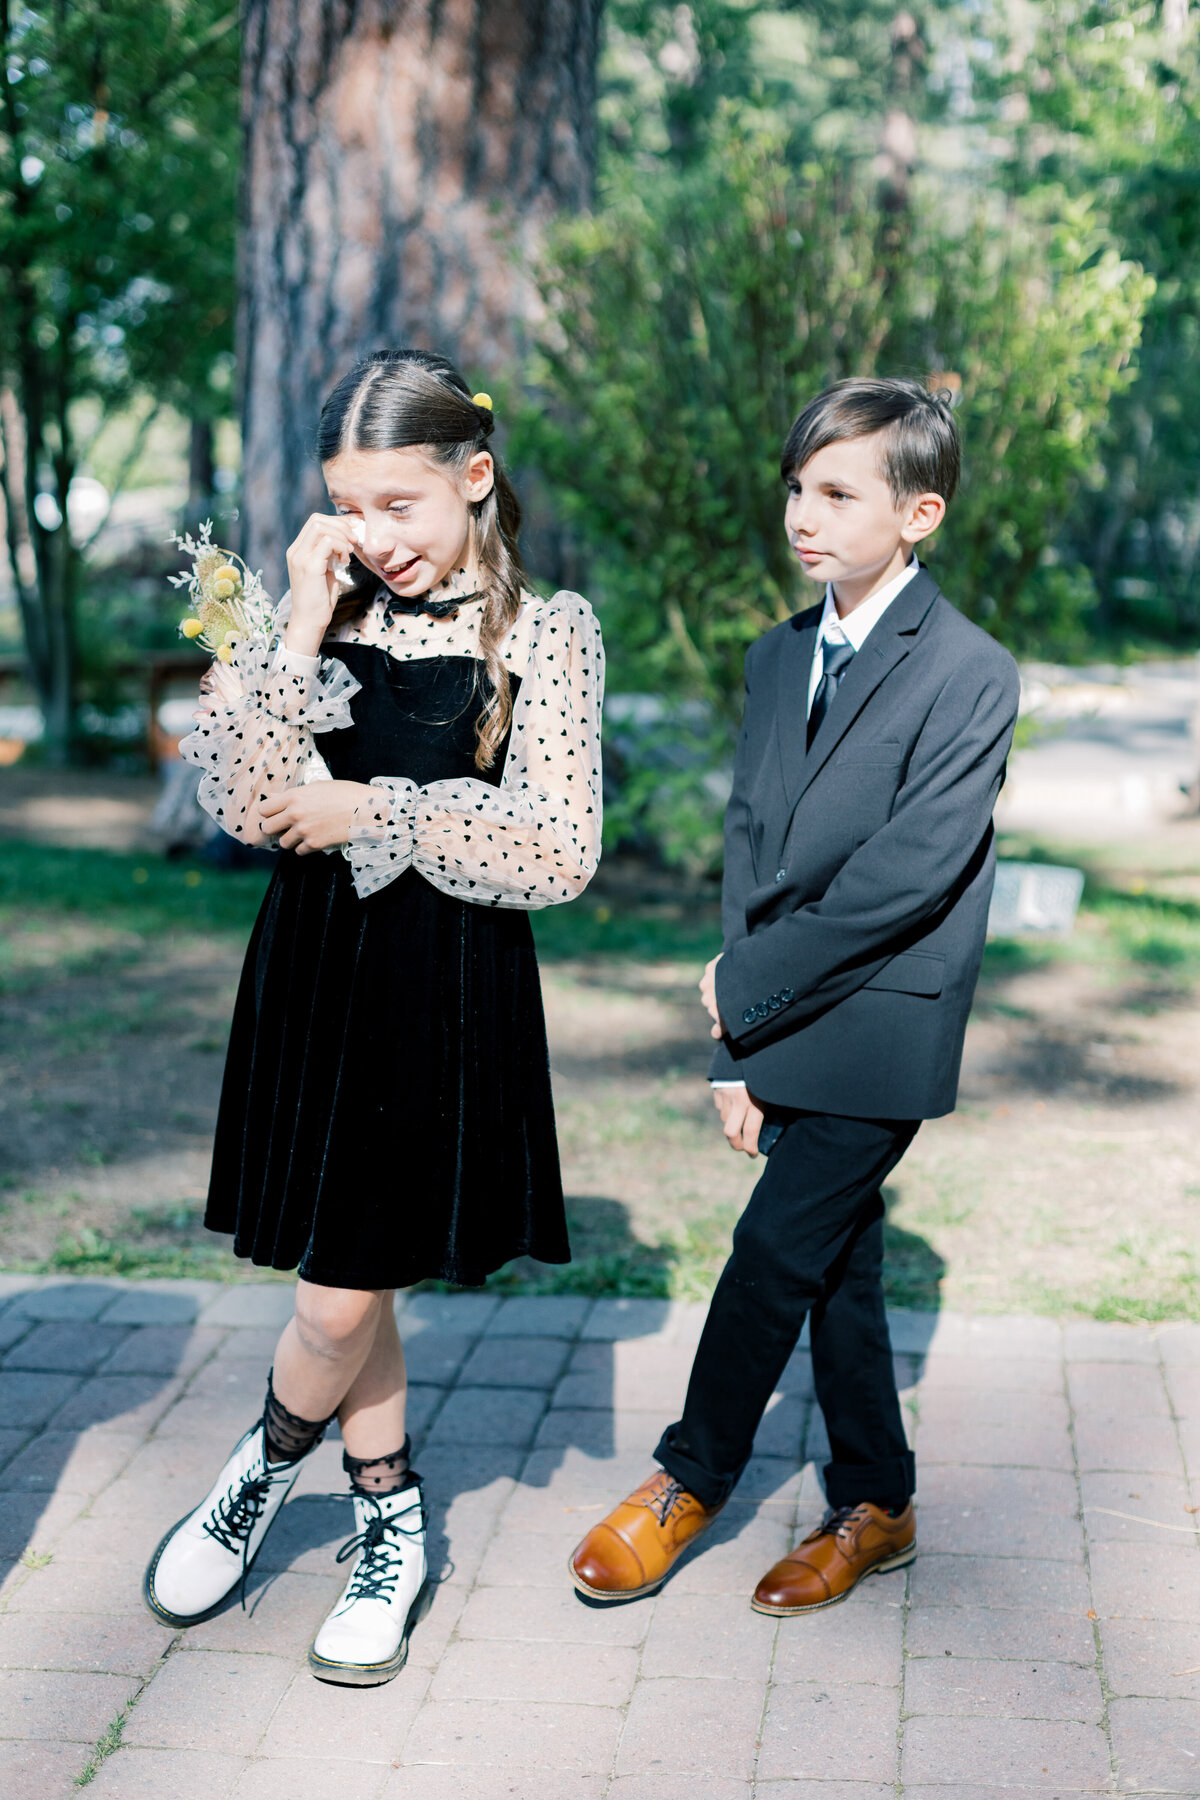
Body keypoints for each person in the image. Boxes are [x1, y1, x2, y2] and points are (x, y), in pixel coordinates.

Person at [142, 349, 603, 1684]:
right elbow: (236, 803)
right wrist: (290, 619)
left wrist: (375, 811)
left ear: (475, 477)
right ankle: (388, 1511)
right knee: (354, 1278)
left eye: (401, 502)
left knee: (341, 1296)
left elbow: (562, 850)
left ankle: (266, 1464)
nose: (375, 535)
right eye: (349, 503)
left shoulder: (543, 631)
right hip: (314, 976)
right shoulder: (318, 616)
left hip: (443, 993)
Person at [570, 377, 1019, 1616]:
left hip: (883, 1017)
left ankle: (688, 1480)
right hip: (776, 1011)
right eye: (796, 488)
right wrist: (733, 1043)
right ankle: (877, 1501)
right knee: (840, 1267)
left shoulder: (974, 672)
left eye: (836, 491)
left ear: (918, 513)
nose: (802, 515)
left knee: (774, 1249)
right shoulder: (778, 655)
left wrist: (745, 986)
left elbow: (908, 876)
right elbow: (753, 838)